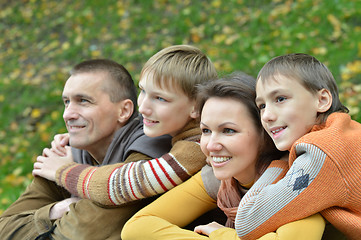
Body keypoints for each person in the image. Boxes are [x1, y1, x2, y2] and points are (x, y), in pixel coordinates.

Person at [121, 72, 326, 240]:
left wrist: (222, 235)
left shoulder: (298, 181)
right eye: (206, 131)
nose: (211, 145)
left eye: (228, 130)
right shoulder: (221, 179)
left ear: (265, 133)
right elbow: (137, 227)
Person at [0, 59, 173, 239]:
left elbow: (79, 234)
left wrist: (67, 173)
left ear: (123, 111)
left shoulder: (149, 152)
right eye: (66, 102)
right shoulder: (66, 154)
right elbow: (4, 228)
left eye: (83, 101)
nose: (68, 114)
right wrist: (56, 210)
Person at [32, 46, 217, 211]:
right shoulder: (189, 137)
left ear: (196, 106)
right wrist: (76, 135)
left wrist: (63, 171)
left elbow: (119, 186)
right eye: (143, 91)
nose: (143, 107)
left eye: (160, 98)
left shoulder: (196, 148)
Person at [234, 53, 360, 240]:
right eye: (261, 106)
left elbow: (246, 221)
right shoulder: (346, 132)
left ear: (322, 101)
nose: (267, 115)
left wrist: (282, 160)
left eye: (280, 99)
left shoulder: (321, 153)